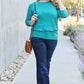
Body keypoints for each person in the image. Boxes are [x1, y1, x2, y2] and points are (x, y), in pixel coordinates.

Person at [25, 0, 68, 84]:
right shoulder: (33, 5)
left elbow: (64, 14)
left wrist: (58, 1)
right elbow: (27, 22)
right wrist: (31, 21)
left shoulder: (55, 5)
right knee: (42, 64)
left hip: (52, 38)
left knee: (45, 63)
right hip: (37, 37)